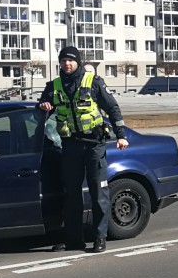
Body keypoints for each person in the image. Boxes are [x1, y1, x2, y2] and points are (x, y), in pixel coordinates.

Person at [37, 46, 128, 252]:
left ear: (77, 62)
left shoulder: (93, 82)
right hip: (70, 146)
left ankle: (99, 238)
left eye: (70, 60)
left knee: (98, 192)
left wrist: (121, 135)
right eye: (63, 61)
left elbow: (112, 108)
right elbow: (43, 105)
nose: (67, 64)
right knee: (72, 195)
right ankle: (74, 240)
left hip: (94, 144)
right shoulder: (54, 86)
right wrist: (43, 104)